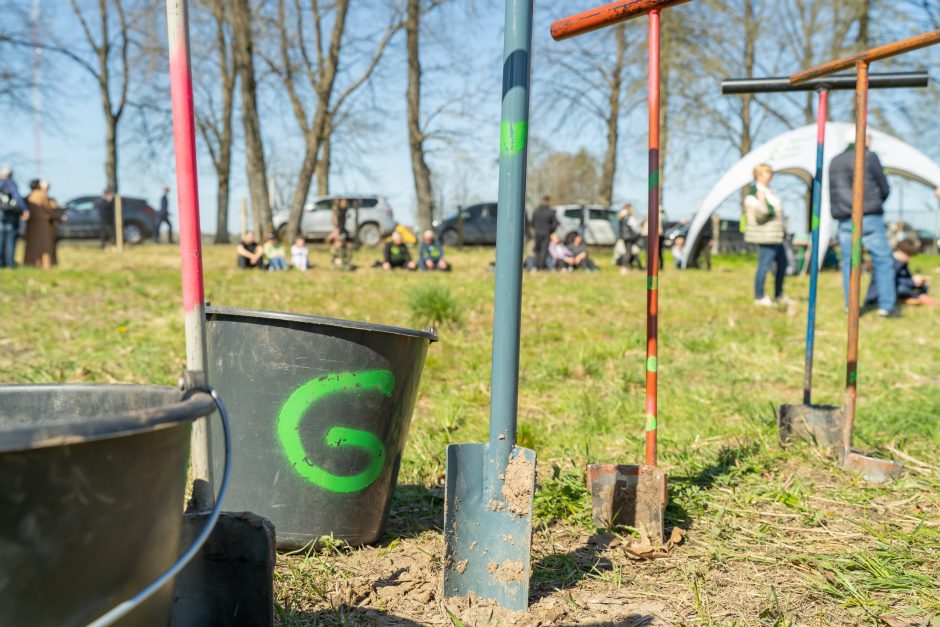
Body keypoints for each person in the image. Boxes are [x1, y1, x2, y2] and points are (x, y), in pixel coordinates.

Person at [829, 127, 897, 317]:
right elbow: (884, 187)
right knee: (882, 260)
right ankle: (886, 305)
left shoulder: (834, 161)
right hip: (869, 215)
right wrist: (875, 203)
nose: (871, 142)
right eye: (869, 138)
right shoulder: (869, 157)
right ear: (862, 139)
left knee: (850, 262)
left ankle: (851, 305)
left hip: (844, 218)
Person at [743, 164, 790, 306]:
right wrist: (763, 201)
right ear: (757, 175)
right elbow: (762, 213)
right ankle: (759, 296)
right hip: (766, 235)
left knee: (782, 263)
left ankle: (778, 293)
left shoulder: (768, 191)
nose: (768, 176)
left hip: (775, 235)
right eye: (764, 173)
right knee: (764, 264)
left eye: (770, 173)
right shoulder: (755, 193)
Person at [865, 238, 937, 307]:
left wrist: (918, 281)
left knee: (922, 285)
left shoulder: (902, 263)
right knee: (901, 288)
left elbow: (907, 278)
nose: (910, 259)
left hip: (896, 289)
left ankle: (913, 298)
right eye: (908, 255)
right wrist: (912, 282)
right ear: (900, 252)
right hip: (877, 297)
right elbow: (889, 282)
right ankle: (918, 298)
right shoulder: (887, 263)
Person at [24, 179, 59, 268]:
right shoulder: (41, 196)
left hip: (31, 224)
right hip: (42, 225)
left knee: (32, 245)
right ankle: (45, 264)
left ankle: (30, 263)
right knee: (44, 246)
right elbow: (48, 208)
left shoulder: (29, 196)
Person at [0, 165, 28, 268]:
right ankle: (10, 263)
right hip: (10, 216)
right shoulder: (11, 183)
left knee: (1, 239)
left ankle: (1, 262)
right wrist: (24, 210)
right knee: (10, 239)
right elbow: (17, 197)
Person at [531, 195, 558, 270]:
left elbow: (532, 223)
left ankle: (535, 266)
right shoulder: (550, 211)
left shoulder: (536, 211)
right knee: (544, 250)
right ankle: (541, 266)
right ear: (548, 201)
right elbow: (555, 224)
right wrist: (551, 230)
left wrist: (536, 229)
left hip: (537, 233)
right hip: (546, 233)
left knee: (537, 249)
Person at [615, 203, 643, 272]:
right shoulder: (628, 216)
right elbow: (634, 225)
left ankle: (626, 266)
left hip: (625, 236)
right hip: (629, 236)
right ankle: (624, 267)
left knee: (628, 252)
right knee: (628, 252)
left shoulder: (623, 215)